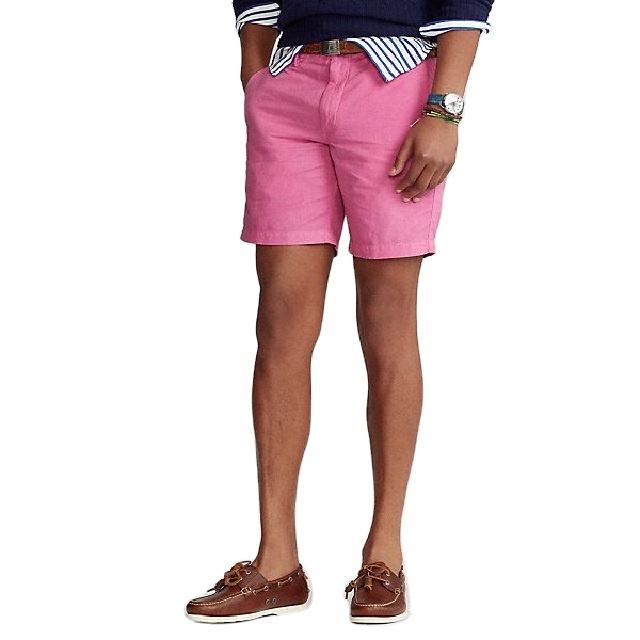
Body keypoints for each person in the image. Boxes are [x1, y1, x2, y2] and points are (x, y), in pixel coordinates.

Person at [186, 0, 495, 625]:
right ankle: (277, 563)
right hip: (290, 82)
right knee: (280, 325)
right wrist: (254, 67)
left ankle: (384, 556)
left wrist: (445, 108)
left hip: (395, 85)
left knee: (386, 322)